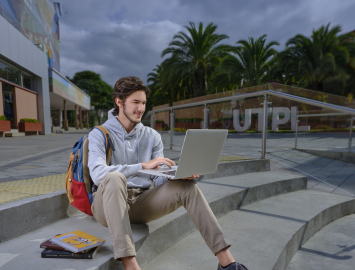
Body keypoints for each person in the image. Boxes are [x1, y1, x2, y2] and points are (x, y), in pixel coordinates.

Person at [87, 76, 247, 270]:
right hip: (106, 204)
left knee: (187, 187)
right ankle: (131, 266)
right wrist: (143, 166)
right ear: (119, 102)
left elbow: (159, 178)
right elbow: (97, 174)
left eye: (144, 103)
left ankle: (228, 263)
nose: (141, 108)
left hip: (140, 202)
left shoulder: (152, 136)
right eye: (135, 102)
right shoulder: (98, 134)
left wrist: (177, 177)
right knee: (114, 178)